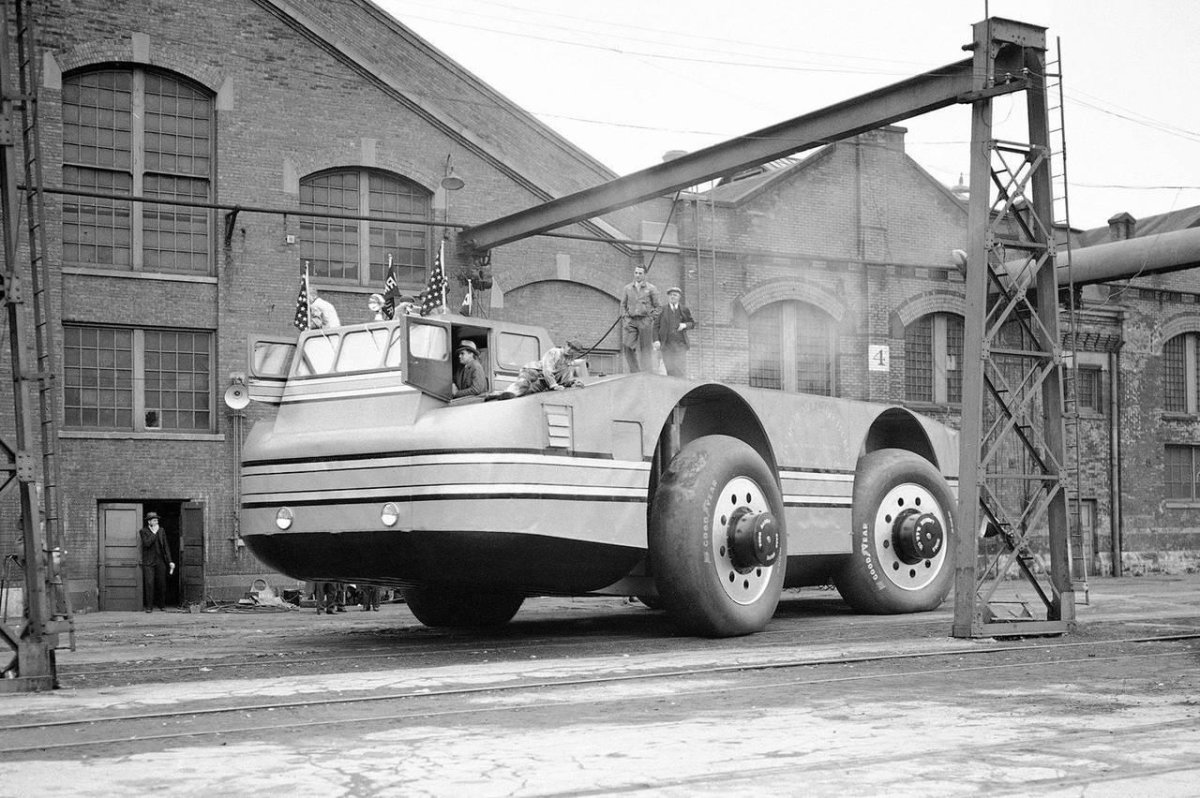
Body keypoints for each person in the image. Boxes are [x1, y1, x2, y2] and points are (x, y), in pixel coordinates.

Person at [490, 338, 586, 399]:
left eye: (573, 349)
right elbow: (547, 370)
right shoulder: (554, 352)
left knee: (527, 392)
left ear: (576, 352)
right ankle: (508, 393)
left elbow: (564, 379)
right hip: (533, 370)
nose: (569, 350)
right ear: (566, 345)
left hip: (544, 381)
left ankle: (499, 395)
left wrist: (573, 382)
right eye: (569, 346)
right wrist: (554, 385)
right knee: (522, 384)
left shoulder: (568, 362)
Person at [620, 265, 661, 372]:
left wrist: (650, 319)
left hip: (645, 321)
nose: (637, 275)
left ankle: (647, 372)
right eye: (636, 273)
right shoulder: (627, 288)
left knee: (645, 348)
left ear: (645, 275)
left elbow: (658, 307)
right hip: (631, 321)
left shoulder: (651, 288)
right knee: (627, 345)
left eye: (640, 273)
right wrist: (626, 318)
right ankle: (635, 371)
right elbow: (623, 305)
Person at [653, 287, 697, 377]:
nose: (672, 297)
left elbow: (692, 323)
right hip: (666, 345)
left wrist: (684, 325)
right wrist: (656, 340)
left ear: (679, 297)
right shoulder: (662, 309)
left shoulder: (684, 310)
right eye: (671, 295)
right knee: (670, 370)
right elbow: (655, 326)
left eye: (675, 295)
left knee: (680, 370)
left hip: (680, 345)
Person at [138, 512, 174, 613]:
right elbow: (147, 543)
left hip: (160, 561)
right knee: (149, 584)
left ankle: (161, 605)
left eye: (157, 520)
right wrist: (154, 533)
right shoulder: (143, 531)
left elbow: (166, 546)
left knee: (161, 584)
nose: (156, 522)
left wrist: (170, 561)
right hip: (149, 562)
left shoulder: (161, 531)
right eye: (154, 520)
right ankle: (149, 607)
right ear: (149, 522)